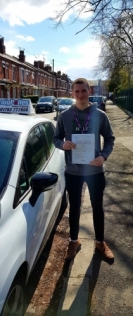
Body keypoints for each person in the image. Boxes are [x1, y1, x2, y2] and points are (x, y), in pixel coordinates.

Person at [53, 78, 115, 261]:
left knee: (98, 207)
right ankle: (74, 241)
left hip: (95, 171)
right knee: (74, 208)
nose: (80, 95)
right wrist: (63, 144)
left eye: (83, 91)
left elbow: (110, 139)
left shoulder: (100, 115)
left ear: (89, 91)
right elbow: (55, 138)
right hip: (73, 171)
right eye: (77, 91)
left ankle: (100, 242)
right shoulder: (64, 116)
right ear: (72, 93)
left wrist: (103, 156)